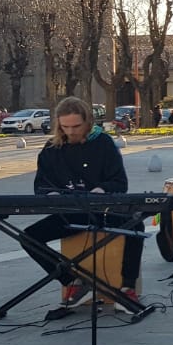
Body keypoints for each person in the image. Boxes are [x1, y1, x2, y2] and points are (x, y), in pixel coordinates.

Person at [21, 96, 143, 309]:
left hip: (102, 209)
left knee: (135, 224)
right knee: (28, 237)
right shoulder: (51, 149)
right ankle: (73, 281)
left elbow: (119, 182)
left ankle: (127, 287)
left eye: (76, 126)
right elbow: (41, 185)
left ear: (87, 122)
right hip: (70, 212)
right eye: (65, 126)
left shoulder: (103, 143)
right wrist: (51, 195)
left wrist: (102, 189)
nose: (71, 132)